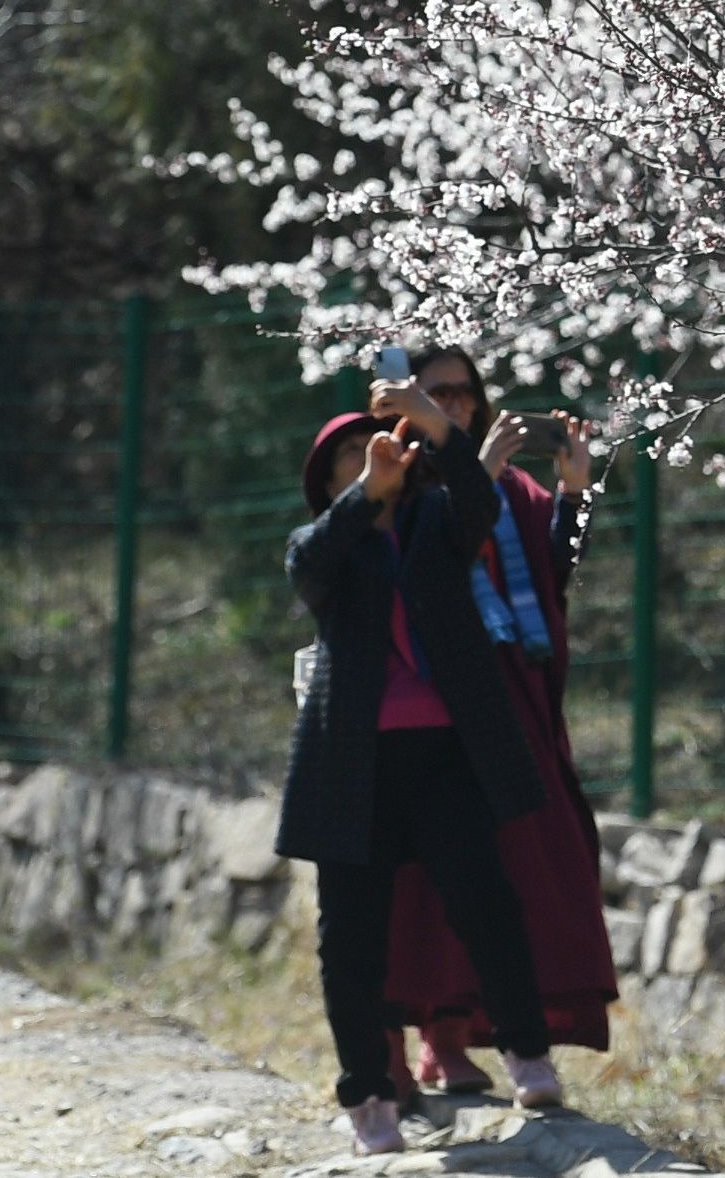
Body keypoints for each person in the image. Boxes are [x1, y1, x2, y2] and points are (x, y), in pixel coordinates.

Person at [277, 366, 564, 1158]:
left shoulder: (438, 523)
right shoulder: (322, 546)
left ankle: (526, 1054)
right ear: (328, 481)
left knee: (487, 903)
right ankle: (367, 1094)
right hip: (353, 764)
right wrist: (364, 494)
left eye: (383, 448)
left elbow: (481, 500)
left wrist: (432, 419)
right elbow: (310, 565)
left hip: (445, 753)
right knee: (352, 941)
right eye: (351, 456)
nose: (376, 457)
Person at [382, 347, 619, 1103]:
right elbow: (435, 553)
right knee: (434, 875)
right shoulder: (398, 477)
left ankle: (505, 1030)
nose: (455, 402)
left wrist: (574, 492)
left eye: (465, 390)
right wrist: (467, 466)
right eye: (437, 391)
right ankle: (439, 1038)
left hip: (516, 696)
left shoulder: (511, 485)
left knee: (526, 863)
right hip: (435, 702)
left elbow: (555, 569)